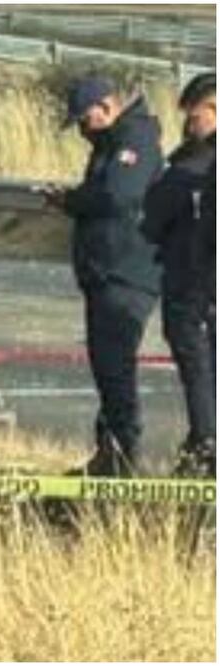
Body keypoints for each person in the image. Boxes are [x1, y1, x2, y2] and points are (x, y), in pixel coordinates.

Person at [39, 76, 164, 477]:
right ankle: (109, 451)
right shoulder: (110, 144)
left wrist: (73, 200)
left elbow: (118, 196)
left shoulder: (135, 140)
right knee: (107, 366)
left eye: (85, 119)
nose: (82, 130)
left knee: (115, 366)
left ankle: (121, 458)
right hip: (106, 272)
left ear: (107, 107)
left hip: (125, 272)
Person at [143, 72, 216, 477]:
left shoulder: (194, 166)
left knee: (198, 364)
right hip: (199, 279)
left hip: (195, 281)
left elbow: (154, 218)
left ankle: (206, 447)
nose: (189, 124)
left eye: (195, 115)